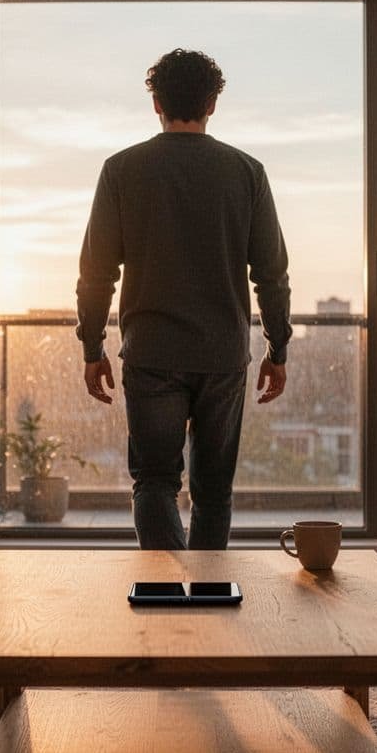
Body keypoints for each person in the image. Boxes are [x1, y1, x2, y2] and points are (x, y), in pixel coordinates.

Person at [75, 48, 292, 551]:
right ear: (213, 103)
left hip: (151, 353)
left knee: (154, 481)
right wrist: (277, 349)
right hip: (222, 355)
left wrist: (92, 349)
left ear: (156, 103)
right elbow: (272, 274)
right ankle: (211, 603)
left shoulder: (121, 170)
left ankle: (165, 594)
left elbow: (95, 274)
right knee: (214, 491)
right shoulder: (247, 172)